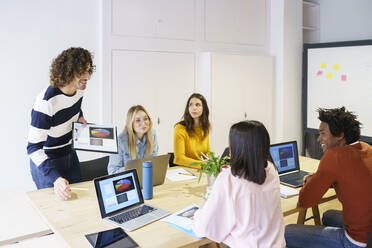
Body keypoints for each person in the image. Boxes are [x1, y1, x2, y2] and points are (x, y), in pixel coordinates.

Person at [285, 107, 372, 248]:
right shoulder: (367, 148)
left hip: (358, 242)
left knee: (286, 232)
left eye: (323, 134)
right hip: (369, 232)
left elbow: (305, 201)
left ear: (340, 136)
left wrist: (310, 181)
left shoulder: (334, 156)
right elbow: (353, 177)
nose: (319, 139)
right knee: (327, 215)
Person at [192, 120, 285, 248]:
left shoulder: (229, 178)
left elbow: (204, 228)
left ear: (235, 148)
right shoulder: (271, 170)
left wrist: (202, 207)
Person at [27, 47, 95, 200]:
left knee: (80, 204)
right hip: (47, 160)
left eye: (89, 70)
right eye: (82, 72)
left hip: (69, 153)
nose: (88, 77)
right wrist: (55, 178)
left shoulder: (79, 90)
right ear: (69, 72)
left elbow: (74, 106)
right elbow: (33, 148)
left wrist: (80, 117)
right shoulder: (46, 102)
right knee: (56, 211)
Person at [107, 105, 158, 174]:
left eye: (145, 119)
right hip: (127, 180)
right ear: (131, 123)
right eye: (138, 120)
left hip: (146, 177)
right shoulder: (120, 141)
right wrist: (135, 167)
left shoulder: (152, 134)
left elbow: (154, 161)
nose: (143, 123)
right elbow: (112, 172)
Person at [173, 93, 211, 169]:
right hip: (186, 170)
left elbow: (207, 151)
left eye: (197, 105)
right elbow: (179, 159)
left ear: (204, 108)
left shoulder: (205, 127)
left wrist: (210, 159)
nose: (193, 108)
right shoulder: (180, 128)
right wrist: (202, 164)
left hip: (200, 170)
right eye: (190, 105)